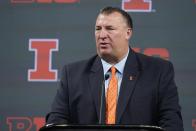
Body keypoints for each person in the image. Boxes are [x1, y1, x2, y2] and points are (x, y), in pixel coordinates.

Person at [46, 6, 184, 131]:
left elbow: (172, 123)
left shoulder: (158, 71)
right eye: (98, 29)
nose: (102, 35)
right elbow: (56, 123)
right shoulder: (73, 74)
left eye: (110, 29)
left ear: (128, 33)